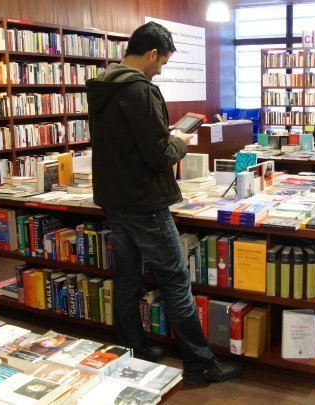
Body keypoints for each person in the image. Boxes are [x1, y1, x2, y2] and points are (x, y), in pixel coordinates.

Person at [87, 21, 242, 386]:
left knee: (126, 278)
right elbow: (158, 156)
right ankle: (200, 363)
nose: (161, 70)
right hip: (144, 201)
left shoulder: (102, 85)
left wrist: (162, 137)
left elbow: (123, 144)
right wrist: (180, 142)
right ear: (152, 54)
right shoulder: (141, 90)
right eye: (163, 63)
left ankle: (133, 347)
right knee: (175, 280)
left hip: (113, 197)